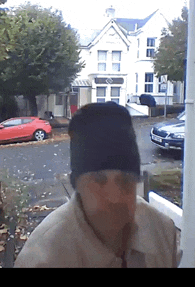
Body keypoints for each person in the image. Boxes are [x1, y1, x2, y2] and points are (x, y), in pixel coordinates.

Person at [14, 102, 178, 268]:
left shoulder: (161, 232)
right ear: (76, 184)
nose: (114, 198)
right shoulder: (43, 259)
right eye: (99, 180)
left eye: (125, 180)